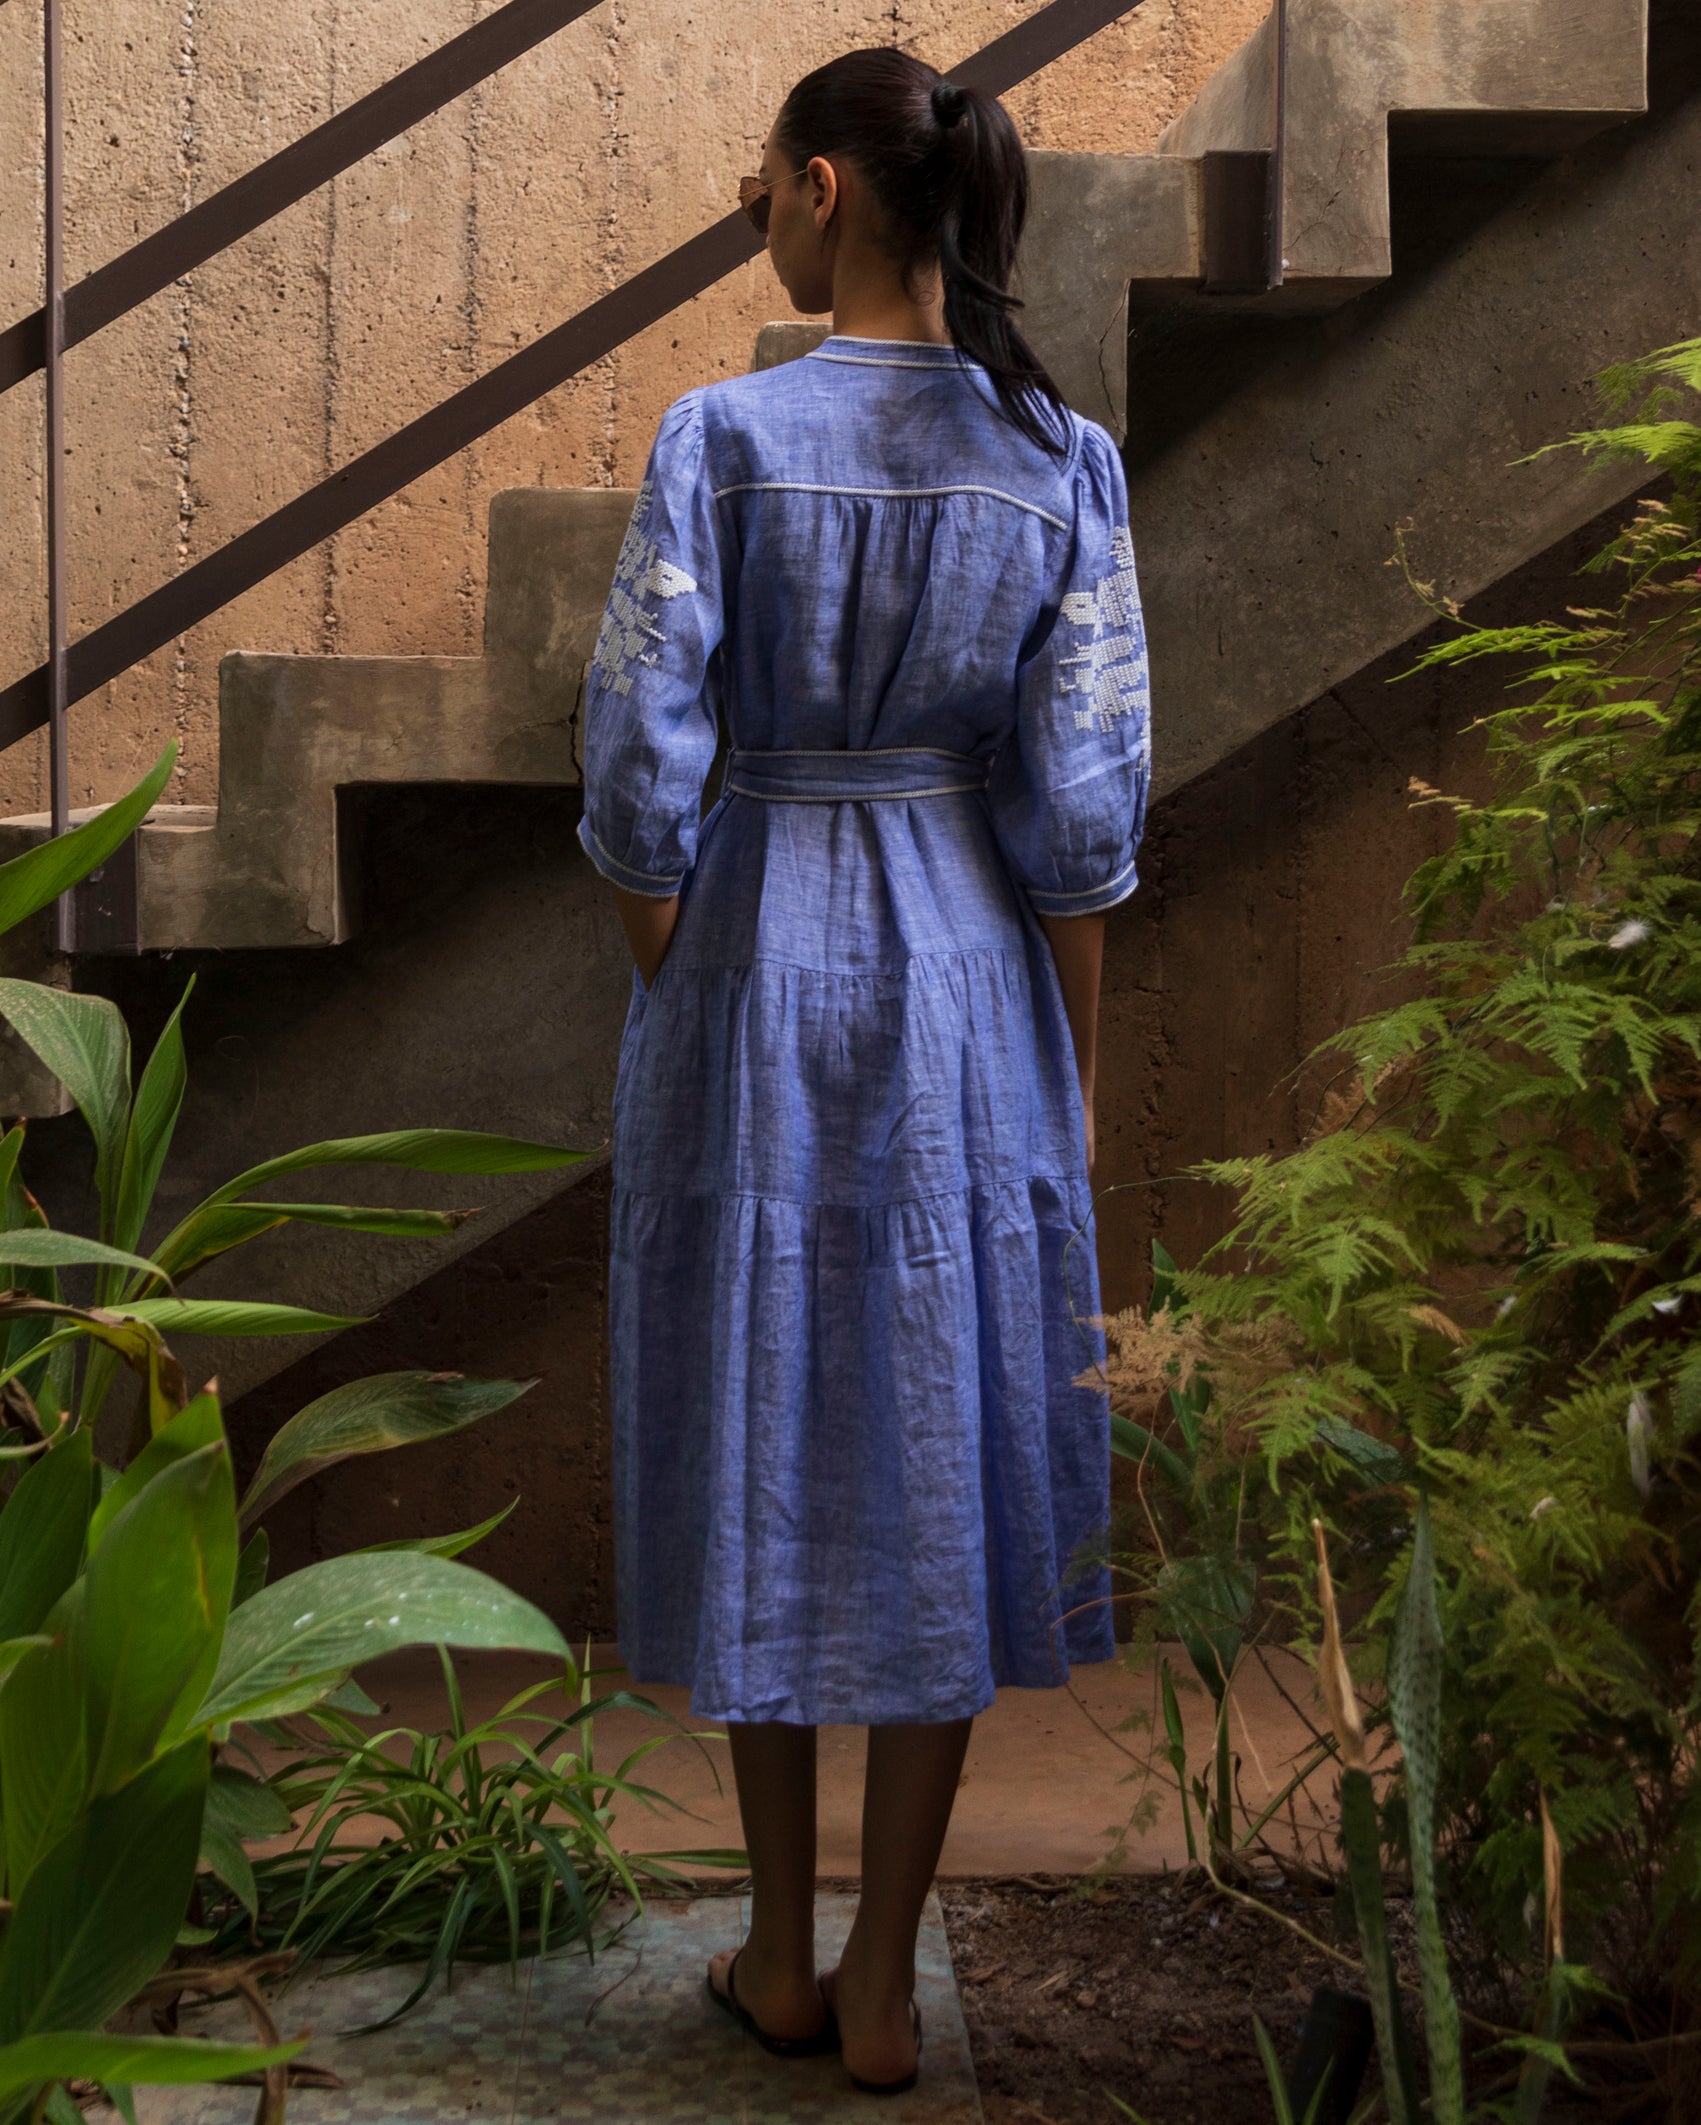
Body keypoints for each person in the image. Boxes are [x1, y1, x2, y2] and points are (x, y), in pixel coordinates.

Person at [576, 45, 1150, 2097]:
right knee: (935, 1434)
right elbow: (1080, 814)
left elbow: (640, 774)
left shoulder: (716, 438)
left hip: (750, 949)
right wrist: (1064, 1082)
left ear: (823, 188)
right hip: (967, 982)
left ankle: (775, 1944)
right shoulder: (1052, 460)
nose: (754, 209)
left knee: (762, 1414)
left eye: (760, 182)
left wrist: (679, 963)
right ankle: (889, 1975)